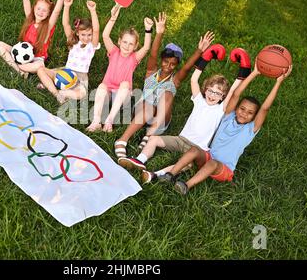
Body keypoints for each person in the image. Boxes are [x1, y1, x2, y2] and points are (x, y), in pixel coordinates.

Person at [153, 62, 292, 195]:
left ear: (254, 117)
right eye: (242, 109)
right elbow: (236, 94)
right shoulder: (227, 117)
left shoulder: (251, 129)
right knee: (195, 150)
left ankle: (186, 185)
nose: (244, 113)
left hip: (223, 169)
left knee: (213, 163)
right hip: (208, 158)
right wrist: (254, 73)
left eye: (250, 113)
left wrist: (278, 82)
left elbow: (265, 108)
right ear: (236, 108)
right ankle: (170, 175)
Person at [121, 46, 250, 179]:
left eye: (217, 93)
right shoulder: (199, 100)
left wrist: (243, 70)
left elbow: (235, 92)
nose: (212, 95)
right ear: (205, 90)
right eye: (210, 91)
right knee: (153, 140)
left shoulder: (220, 109)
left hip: (198, 148)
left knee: (187, 164)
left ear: (223, 96)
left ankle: (155, 174)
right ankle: (139, 161)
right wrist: (206, 57)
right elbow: (194, 80)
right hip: (180, 139)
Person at [113, 12, 215, 162]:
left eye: (173, 64)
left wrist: (200, 50)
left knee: (167, 94)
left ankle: (149, 134)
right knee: (148, 106)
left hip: (159, 120)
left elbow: (187, 68)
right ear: (162, 60)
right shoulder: (151, 72)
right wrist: (159, 33)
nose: (168, 66)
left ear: (176, 65)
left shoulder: (175, 80)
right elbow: (153, 54)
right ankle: (122, 140)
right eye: (166, 62)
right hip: (142, 112)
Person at [86, 5, 153, 133]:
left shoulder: (134, 58)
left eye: (131, 44)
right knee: (101, 86)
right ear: (119, 41)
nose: (127, 46)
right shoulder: (113, 51)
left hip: (123, 96)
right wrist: (113, 18)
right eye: (125, 42)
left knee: (125, 84)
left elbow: (146, 48)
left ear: (135, 46)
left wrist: (148, 30)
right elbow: (105, 36)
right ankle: (96, 122)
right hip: (108, 94)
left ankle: (109, 120)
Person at [0, 0, 69, 78]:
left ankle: (16, 66)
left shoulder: (47, 26)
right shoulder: (30, 20)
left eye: (44, 10)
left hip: (36, 58)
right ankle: (20, 70)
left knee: (39, 66)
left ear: (48, 14)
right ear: (34, 8)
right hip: (20, 52)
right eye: (38, 8)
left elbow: (57, 11)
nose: (40, 12)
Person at [34, 0, 100, 104]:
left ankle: (59, 90)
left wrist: (93, 11)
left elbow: (96, 30)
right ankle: (56, 93)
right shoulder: (73, 41)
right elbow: (65, 24)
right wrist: (67, 6)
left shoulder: (91, 45)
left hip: (80, 76)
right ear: (78, 33)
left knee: (81, 94)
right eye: (83, 34)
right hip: (65, 72)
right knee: (41, 70)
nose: (86, 37)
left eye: (89, 35)